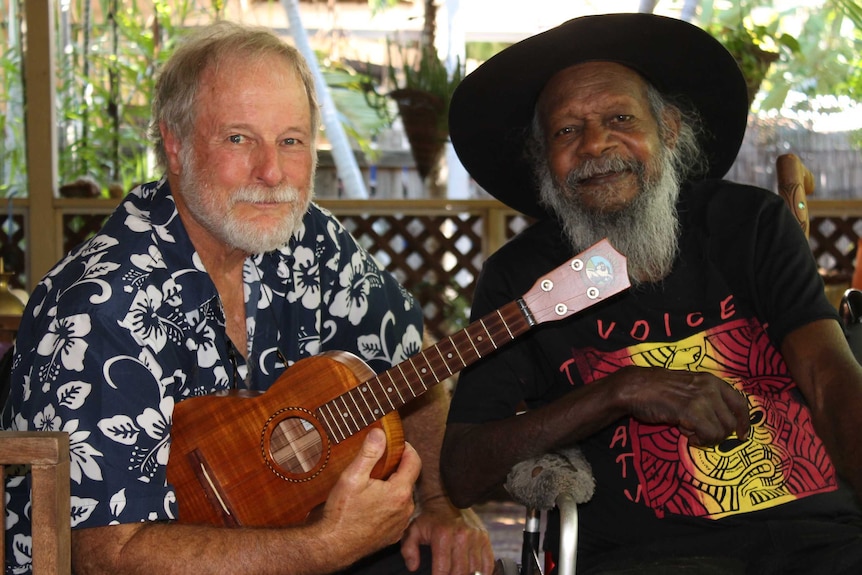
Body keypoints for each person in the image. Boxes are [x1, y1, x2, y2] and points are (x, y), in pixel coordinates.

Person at [1, 21, 493, 575]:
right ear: (175, 145)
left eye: (292, 141)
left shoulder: (310, 240)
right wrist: (323, 548)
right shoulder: (98, 305)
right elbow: (106, 555)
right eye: (239, 138)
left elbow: (406, 353)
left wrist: (441, 506)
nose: (272, 172)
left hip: (281, 536)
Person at [440, 13, 862, 575]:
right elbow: (464, 470)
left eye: (620, 117)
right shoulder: (519, 277)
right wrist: (618, 392)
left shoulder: (749, 223)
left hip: (825, 540)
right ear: (544, 159)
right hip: (654, 558)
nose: (595, 144)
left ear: (669, 129)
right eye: (567, 131)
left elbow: (830, 380)